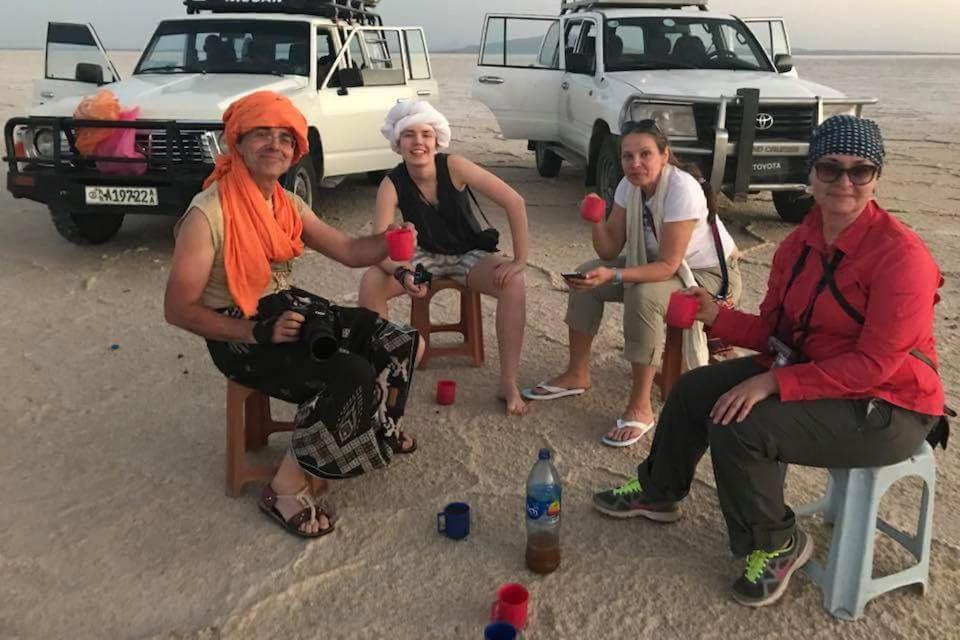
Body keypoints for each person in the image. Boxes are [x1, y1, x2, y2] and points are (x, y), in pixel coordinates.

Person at [591, 115, 946, 607]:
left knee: (742, 425)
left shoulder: (901, 256)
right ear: (811, 175)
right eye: (829, 167)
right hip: (812, 369)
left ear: (876, 177)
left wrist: (773, 385)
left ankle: (777, 541)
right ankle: (659, 491)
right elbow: (776, 332)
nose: (844, 181)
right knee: (696, 391)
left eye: (860, 170)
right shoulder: (798, 245)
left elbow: (873, 366)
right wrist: (717, 315)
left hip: (889, 404)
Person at [164, 90, 421, 540]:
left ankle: (376, 423)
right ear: (237, 143)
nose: (276, 145)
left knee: (400, 338)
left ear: (296, 150)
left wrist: (390, 241)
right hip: (241, 334)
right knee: (352, 373)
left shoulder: (285, 203)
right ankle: (283, 489)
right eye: (262, 134)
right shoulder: (207, 216)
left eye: (285, 138)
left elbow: (347, 249)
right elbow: (178, 309)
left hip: (288, 309)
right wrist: (257, 331)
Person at [524, 120, 741, 446]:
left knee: (644, 295)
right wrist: (596, 222)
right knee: (587, 275)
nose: (635, 163)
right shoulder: (629, 186)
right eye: (628, 156)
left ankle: (640, 405)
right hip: (659, 266)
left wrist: (616, 274)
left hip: (707, 274)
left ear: (664, 155)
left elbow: (669, 264)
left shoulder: (682, 188)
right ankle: (576, 373)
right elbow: (609, 248)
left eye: (645, 154)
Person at [358, 100, 530, 415]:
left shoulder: (455, 166)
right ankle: (377, 378)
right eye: (409, 135)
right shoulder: (392, 183)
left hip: (470, 254)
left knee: (514, 283)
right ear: (398, 144)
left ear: (437, 139)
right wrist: (402, 273)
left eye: (425, 134)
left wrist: (519, 260)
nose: (418, 142)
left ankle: (508, 382)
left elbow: (514, 202)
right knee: (371, 281)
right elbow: (377, 244)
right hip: (424, 259)